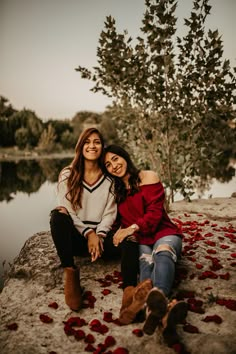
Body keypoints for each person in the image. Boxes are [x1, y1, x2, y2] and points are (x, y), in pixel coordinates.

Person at [50, 127, 150, 313]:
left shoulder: (110, 179)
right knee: (58, 214)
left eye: (96, 142)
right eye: (87, 142)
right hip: (78, 240)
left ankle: (129, 291)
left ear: (102, 147)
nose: (92, 146)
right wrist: (89, 234)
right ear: (80, 146)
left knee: (130, 239)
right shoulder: (67, 174)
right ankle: (70, 274)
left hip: (102, 242)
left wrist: (100, 235)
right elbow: (69, 210)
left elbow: (110, 213)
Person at [103, 144, 188, 343]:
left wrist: (130, 229)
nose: (114, 166)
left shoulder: (148, 177)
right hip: (140, 240)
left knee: (163, 253)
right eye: (108, 164)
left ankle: (156, 300)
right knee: (145, 263)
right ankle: (164, 314)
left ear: (125, 156)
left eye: (116, 159)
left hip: (163, 232)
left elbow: (154, 215)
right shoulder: (115, 192)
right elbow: (114, 220)